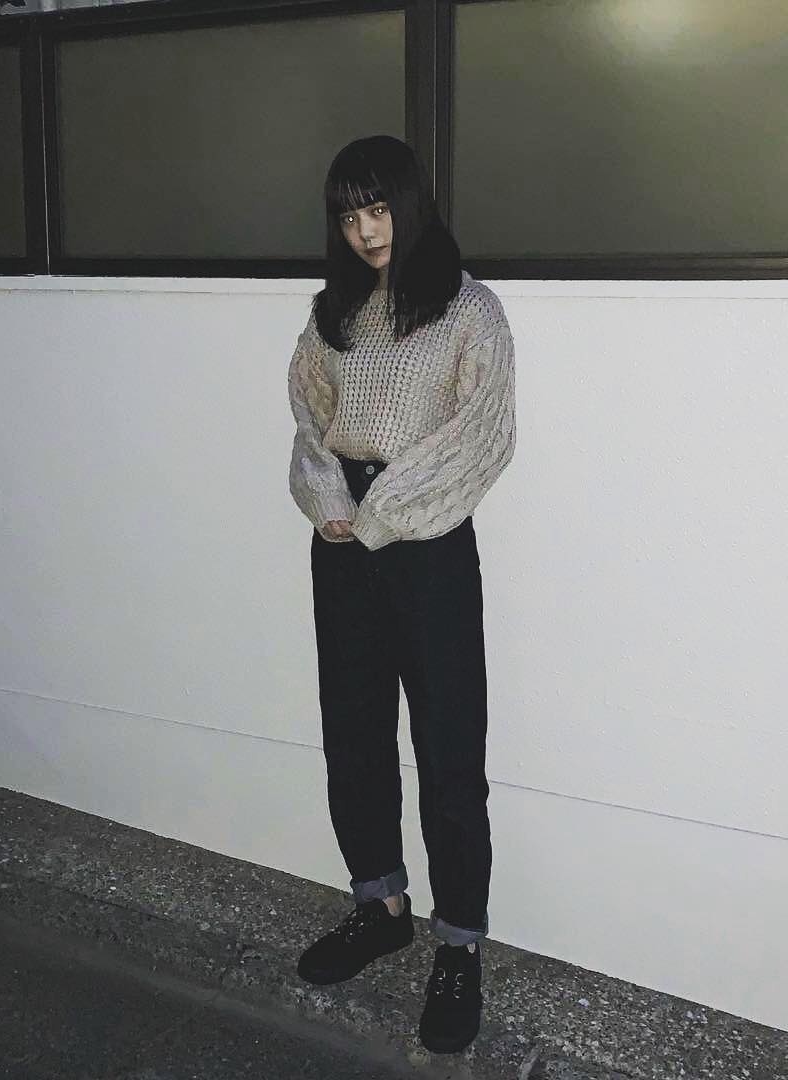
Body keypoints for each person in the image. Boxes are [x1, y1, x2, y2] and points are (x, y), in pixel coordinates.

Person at [286, 134, 516, 1054]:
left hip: (426, 545)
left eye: (379, 209)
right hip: (341, 543)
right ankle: (379, 904)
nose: (366, 230)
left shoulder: (468, 309)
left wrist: (380, 514)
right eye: (349, 215)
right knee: (353, 732)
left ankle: (458, 944)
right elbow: (309, 415)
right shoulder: (332, 312)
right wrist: (329, 502)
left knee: (450, 751)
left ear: (411, 205)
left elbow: (483, 434)